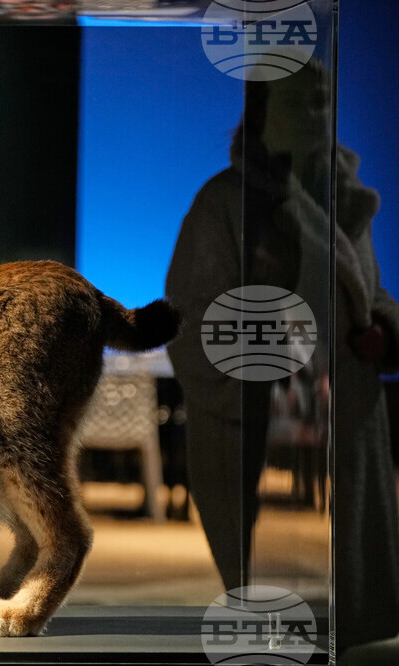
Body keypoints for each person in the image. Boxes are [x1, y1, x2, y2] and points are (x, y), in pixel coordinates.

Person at [166, 60, 399, 652]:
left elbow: (370, 293)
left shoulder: (345, 200)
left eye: (323, 98)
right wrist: (283, 354)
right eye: (299, 101)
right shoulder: (224, 206)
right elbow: (190, 322)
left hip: (346, 421)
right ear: (265, 112)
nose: (317, 112)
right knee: (271, 616)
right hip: (258, 431)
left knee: (346, 609)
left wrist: (384, 332)